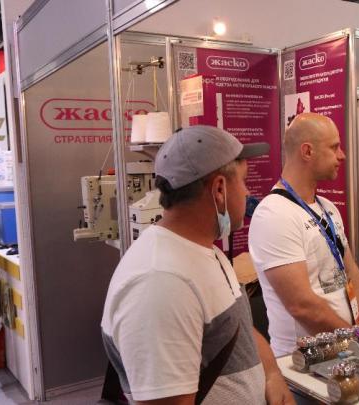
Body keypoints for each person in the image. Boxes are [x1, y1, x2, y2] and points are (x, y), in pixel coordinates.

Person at [101, 125, 295, 405]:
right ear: (219, 189)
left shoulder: (206, 251)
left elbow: (238, 328)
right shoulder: (160, 282)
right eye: (243, 181)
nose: (247, 192)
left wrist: (272, 375)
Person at [249, 113, 359, 356]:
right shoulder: (274, 214)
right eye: (334, 147)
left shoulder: (327, 207)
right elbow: (302, 306)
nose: (342, 155)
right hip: (303, 364)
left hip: (347, 351)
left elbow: (352, 274)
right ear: (307, 152)